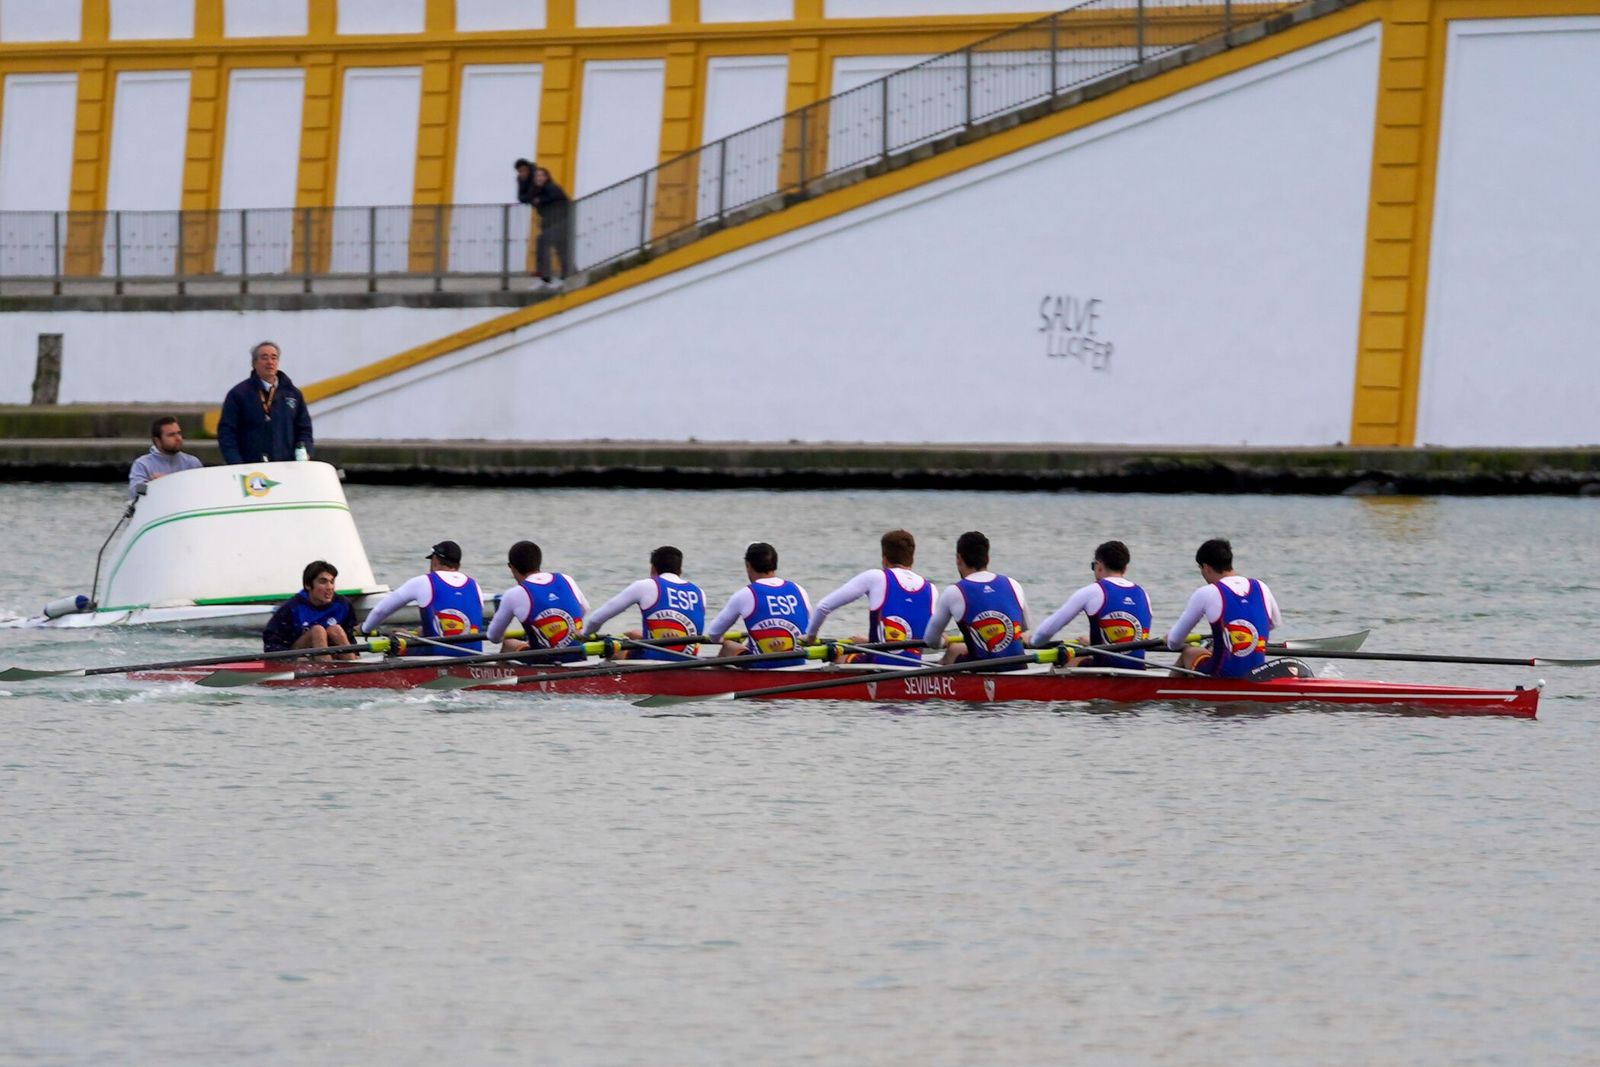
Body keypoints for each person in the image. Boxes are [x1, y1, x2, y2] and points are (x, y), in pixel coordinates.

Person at [802, 529, 936, 664]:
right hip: (914, 666)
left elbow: (823, 607)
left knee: (837, 655)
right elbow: (931, 639)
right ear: (912, 558)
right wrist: (868, 642)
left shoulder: (877, 577)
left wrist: (810, 637)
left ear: (884, 558)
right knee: (859, 643)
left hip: (879, 666)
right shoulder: (931, 589)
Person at [1165, 538, 1282, 677]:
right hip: (1257, 674)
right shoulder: (1262, 587)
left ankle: (1167, 695)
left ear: (1206, 568)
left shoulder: (1207, 592)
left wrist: (1174, 641)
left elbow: (1174, 642)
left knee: (1189, 653)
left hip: (1221, 674)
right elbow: (1274, 623)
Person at [1030, 540, 1152, 669]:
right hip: (1137, 670)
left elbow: (1044, 633)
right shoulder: (1144, 594)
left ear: (1099, 566)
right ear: (1125, 568)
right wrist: (1094, 642)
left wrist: (1033, 641)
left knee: (1068, 659)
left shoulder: (1093, 591)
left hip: (1104, 672)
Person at [357, 540, 483, 657]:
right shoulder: (475, 585)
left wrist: (365, 629)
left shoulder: (424, 581)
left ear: (434, 561)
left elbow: (381, 610)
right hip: (474, 656)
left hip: (436, 656)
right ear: (458, 565)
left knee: (395, 642)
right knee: (419, 632)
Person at [923, 530, 1029, 669]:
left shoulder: (954, 591)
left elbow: (930, 640)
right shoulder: (1014, 584)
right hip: (1019, 668)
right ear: (987, 558)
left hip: (981, 671)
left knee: (953, 651)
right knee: (960, 649)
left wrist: (944, 642)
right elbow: (1025, 630)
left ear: (958, 558)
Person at [581, 545, 704, 661]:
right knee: (634, 634)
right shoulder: (700, 593)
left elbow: (596, 619)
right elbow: (714, 634)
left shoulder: (645, 585)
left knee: (616, 647)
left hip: (652, 660)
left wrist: (585, 634)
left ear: (653, 568)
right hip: (689, 660)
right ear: (680, 570)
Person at [706, 542, 811, 668]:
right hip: (798, 666)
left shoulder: (745, 593)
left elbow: (713, 633)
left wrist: (722, 640)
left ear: (748, 565)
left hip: (761, 667)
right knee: (752, 642)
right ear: (775, 564)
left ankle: (717, 685)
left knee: (729, 646)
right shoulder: (799, 589)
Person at [485, 540, 590, 661]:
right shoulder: (566, 579)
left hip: (545, 661)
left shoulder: (514, 594)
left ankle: (502, 678)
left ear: (511, 567)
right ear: (539, 562)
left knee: (509, 644)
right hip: (578, 655)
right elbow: (585, 609)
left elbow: (493, 637)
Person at [217, 341, 313, 465]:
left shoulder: (293, 394)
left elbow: (304, 429)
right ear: (254, 363)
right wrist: (236, 462)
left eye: (274, 357)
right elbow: (227, 432)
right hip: (251, 469)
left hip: (287, 466)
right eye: (264, 357)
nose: (270, 362)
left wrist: (304, 454)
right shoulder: (238, 394)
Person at [261, 560, 359, 659]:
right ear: (308, 585)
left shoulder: (343, 604)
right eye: (323, 582)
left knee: (336, 629)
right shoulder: (291, 608)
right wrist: (292, 659)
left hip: (333, 652)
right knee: (317, 631)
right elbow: (271, 643)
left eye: (332, 582)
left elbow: (350, 637)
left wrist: (356, 654)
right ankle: (326, 668)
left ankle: (354, 666)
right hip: (299, 655)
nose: (329, 587)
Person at [516, 159, 570, 287]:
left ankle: (546, 277)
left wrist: (539, 200)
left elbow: (554, 196)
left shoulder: (552, 187)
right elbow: (523, 198)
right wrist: (529, 192)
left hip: (562, 220)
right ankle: (568, 275)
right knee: (561, 248)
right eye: (537, 176)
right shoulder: (532, 187)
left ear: (547, 177)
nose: (539, 178)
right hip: (549, 221)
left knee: (543, 241)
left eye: (542, 176)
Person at [128, 415, 203, 499]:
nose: (178, 438)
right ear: (157, 441)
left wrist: (166, 481)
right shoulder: (142, 464)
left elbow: (202, 491)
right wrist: (152, 484)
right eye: (171, 435)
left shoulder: (192, 462)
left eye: (179, 433)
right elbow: (134, 492)